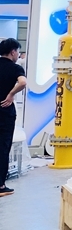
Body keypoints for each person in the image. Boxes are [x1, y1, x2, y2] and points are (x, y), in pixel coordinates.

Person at [0, 38, 27, 197]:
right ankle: (1, 185)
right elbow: (22, 82)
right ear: (13, 52)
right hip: (4, 112)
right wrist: (10, 94)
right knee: (3, 148)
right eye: (17, 51)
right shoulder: (15, 68)